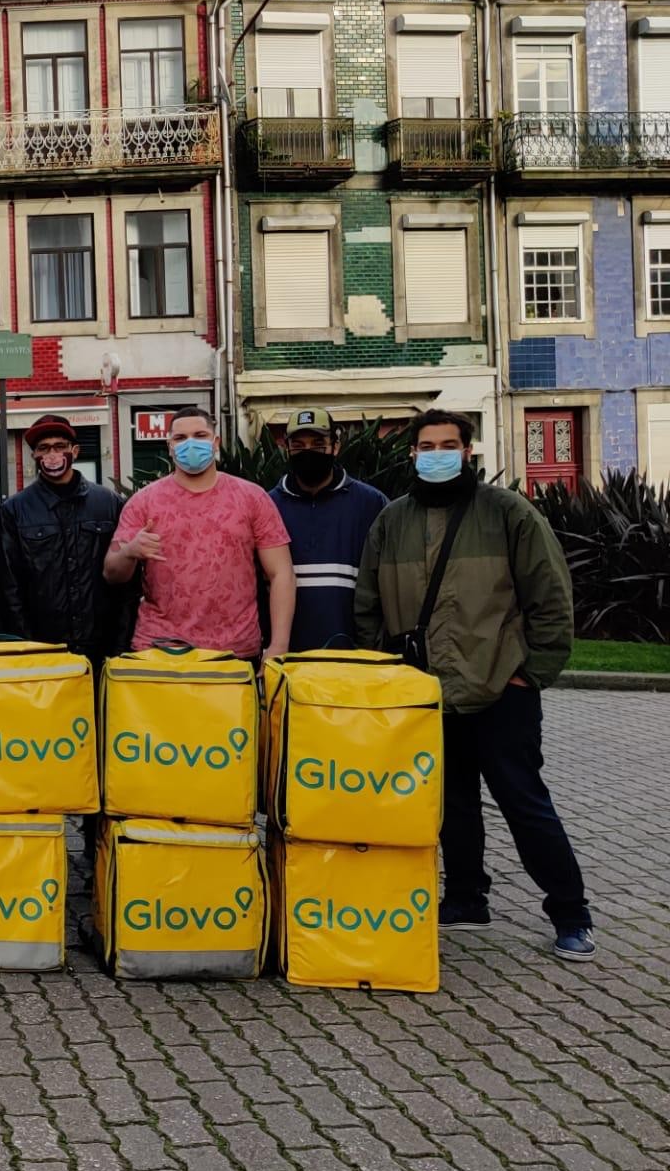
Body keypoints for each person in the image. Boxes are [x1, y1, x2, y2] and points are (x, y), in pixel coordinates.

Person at [353, 409, 591, 961]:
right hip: (424, 694)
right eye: (426, 445)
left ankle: (571, 912)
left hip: (498, 688)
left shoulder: (509, 513)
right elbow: (367, 602)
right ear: (411, 454)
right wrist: (382, 669)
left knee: (524, 803)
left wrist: (530, 674)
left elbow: (550, 598)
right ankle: (465, 899)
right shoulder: (392, 521)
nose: (437, 453)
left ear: (468, 451)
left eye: (449, 444)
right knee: (450, 804)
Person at [104, 407, 295, 660]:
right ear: (169, 446)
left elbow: (281, 573)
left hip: (234, 652)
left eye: (200, 435)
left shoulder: (252, 498)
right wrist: (129, 551)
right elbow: (111, 573)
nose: (190, 444)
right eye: (180, 438)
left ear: (215, 442)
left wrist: (279, 646)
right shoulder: (143, 502)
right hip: (160, 650)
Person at [0, 414, 131, 661]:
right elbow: (9, 586)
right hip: (44, 646)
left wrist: (121, 645)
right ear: (34, 456)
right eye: (44, 448)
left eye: (60, 446)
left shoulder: (109, 503)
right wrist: (27, 646)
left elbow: (126, 583)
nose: (52, 454)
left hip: (102, 644)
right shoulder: (14, 510)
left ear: (75, 451)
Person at [269, 407, 387, 652]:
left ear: (336, 446)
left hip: (353, 653)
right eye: (298, 445)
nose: (308, 451)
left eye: (318, 443)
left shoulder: (371, 503)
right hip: (285, 656)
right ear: (286, 449)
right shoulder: (267, 506)